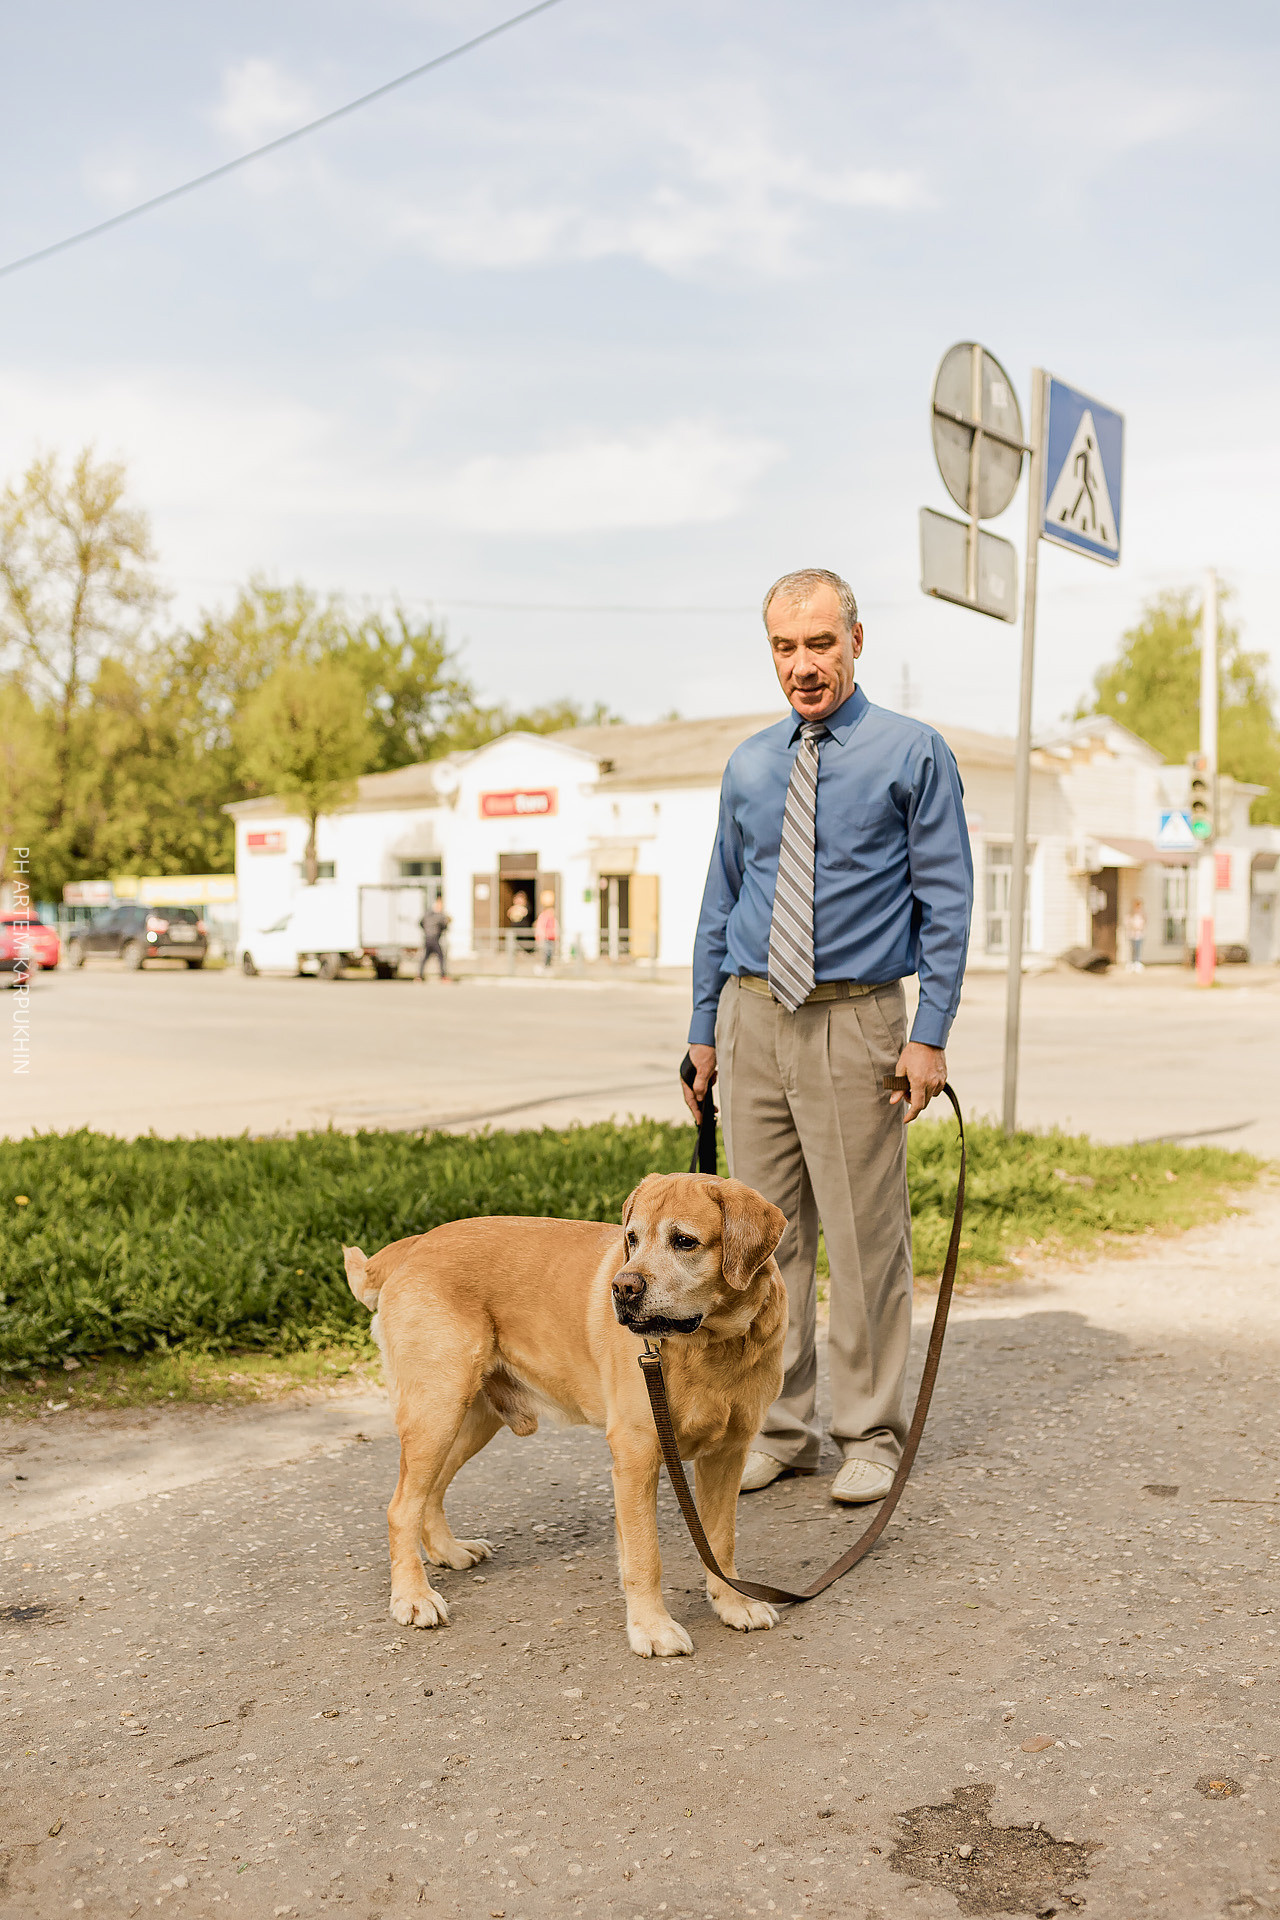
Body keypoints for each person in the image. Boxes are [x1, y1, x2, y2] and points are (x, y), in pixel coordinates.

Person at [682, 567, 972, 1506]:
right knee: (762, 1244)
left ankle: (871, 1432)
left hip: (858, 1018)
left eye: (818, 643)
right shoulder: (752, 764)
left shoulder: (911, 752)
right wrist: (702, 1028)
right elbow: (721, 898)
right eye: (783, 647)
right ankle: (782, 1425)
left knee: (863, 1235)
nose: (802, 666)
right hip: (753, 1012)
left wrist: (928, 1033)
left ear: (855, 638)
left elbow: (949, 901)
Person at [417, 903, 451, 981]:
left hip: (427, 938)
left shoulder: (427, 915)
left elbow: (420, 923)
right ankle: (443, 976)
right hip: (435, 939)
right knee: (441, 957)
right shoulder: (439, 916)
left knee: (425, 958)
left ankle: (419, 976)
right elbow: (445, 924)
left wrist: (425, 930)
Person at [533, 890, 559, 970]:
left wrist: (556, 935)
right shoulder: (543, 916)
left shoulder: (552, 918)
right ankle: (544, 967)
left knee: (550, 953)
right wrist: (539, 936)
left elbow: (556, 927)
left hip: (551, 938)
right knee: (545, 953)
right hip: (545, 938)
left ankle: (548, 966)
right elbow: (540, 927)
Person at [1126, 898, 1146, 972]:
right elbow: (1128, 923)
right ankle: (1132, 963)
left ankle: (1137, 963)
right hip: (1132, 934)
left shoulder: (1142, 914)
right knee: (1132, 949)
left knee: (1138, 949)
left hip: (1139, 935)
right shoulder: (1131, 914)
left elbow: (1143, 923)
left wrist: (1139, 928)